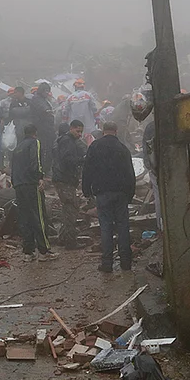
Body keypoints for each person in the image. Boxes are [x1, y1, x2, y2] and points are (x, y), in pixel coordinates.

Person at [82, 122, 136, 273]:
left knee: (106, 228)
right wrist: (130, 194)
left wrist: (86, 190)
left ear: (103, 131)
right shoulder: (123, 148)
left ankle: (107, 264)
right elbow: (130, 173)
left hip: (102, 192)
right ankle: (126, 263)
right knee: (123, 226)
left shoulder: (95, 146)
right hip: (121, 193)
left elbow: (87, 170)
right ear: (116, 131)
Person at [12, 124, 58, 262]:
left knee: (25, 218)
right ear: (35, 133)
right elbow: (36, 161)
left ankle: (28, 252)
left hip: (19, 186)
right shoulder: (34, 143)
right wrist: (39, 177)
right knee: (38, 216)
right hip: (31, 185)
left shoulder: (17, 147)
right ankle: (44, 251)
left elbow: (13, 168)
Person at [52, 120, 87, 249]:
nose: (79, 135)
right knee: (71, 209)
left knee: (68, 208)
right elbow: (67, 160)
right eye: (78, 131)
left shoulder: (66, 140)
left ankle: (63, 238)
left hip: (63, 179)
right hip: (64, 179)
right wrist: (81, 160)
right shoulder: (67, 141)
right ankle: (71, 242)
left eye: (81, 132)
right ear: (71, 128)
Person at [30, 82, 56, 176]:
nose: (47, 93)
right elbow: (44, 110)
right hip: (42, 127)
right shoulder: (37, 99)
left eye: (48, 91)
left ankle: (45, 168)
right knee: (45, 148)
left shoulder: (42, 99)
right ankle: (44, 169)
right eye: (45, 91)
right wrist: (50, 112)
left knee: (47, 148)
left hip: (46, 127)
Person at [64, 79, 99, 145]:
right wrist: (97, 119)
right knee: (89, 141)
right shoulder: (88, 95)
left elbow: (65, 112)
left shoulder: (70, 97)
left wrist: (65, 122)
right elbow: (94, 108)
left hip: (74, 124)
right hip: (88, 124)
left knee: (76, 141)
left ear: (75, 87)